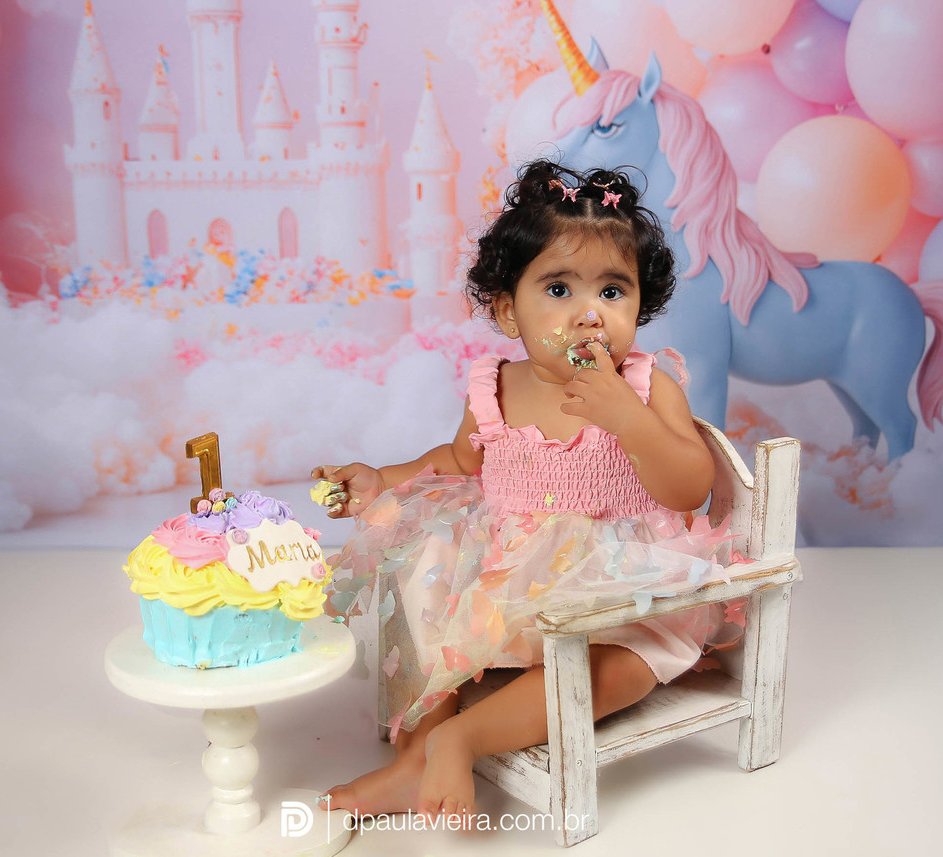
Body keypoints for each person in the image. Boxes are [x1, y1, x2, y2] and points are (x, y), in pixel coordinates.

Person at [311, 160, 743, 823]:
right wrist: (383, 479)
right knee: (423, 571)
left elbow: (689, 487)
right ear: (510, 309)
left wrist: (629, 421)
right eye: (560, 289)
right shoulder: (497, 387)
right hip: (511, 579)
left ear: (640, 305)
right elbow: (459, 461)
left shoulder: (645, 387)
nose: (589, 314)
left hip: (613, 585)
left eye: (612, 291)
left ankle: (463, 738)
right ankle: (415, 757)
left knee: (630, 666)